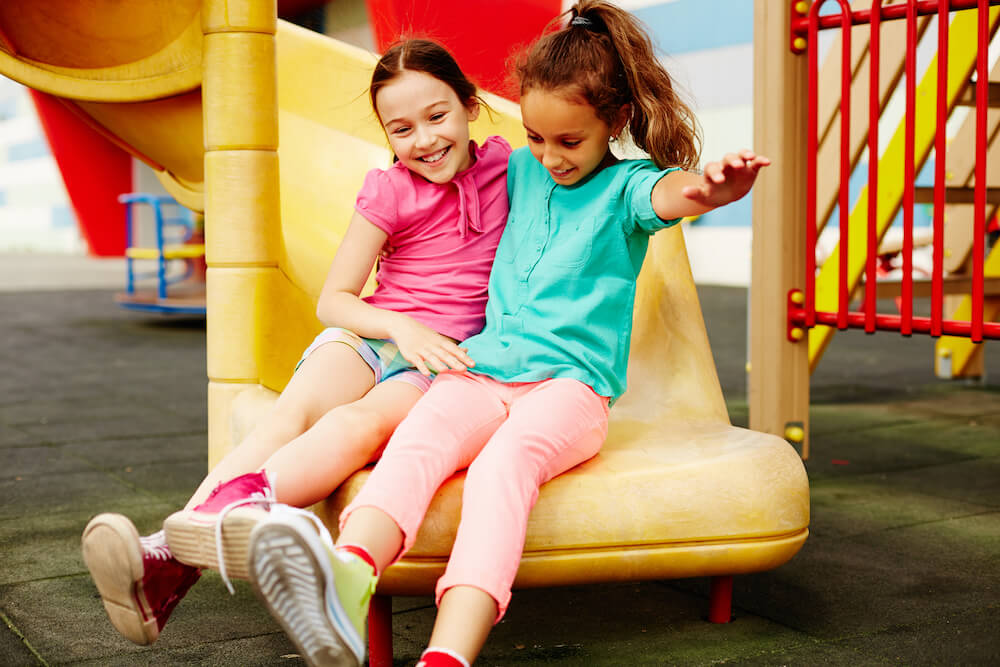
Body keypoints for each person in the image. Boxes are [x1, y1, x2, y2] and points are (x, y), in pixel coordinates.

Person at [246, 2, 771, 666]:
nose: (550, 157)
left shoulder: (626, 189)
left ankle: (447, 653)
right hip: (483, 366)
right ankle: (345, 575)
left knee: (502, 466)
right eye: (537, 137)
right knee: (415, 443)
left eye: (569, 141)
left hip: (570, 389)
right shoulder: (518, 169)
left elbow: (673, 195)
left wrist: (716, 191)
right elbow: (441, 170)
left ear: (615, 121)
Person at [79, 39, 511, 647]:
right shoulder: (389, 189)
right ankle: (165, 553)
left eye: (438, 116)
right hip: (376, 334)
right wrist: (400, 327)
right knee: (290, 416)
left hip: (439, 364)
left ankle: (172, 565)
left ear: (469, 105)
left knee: (358, 425)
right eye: (401, 128)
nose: (424, 140)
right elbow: (335, 299)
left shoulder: (508, 168)